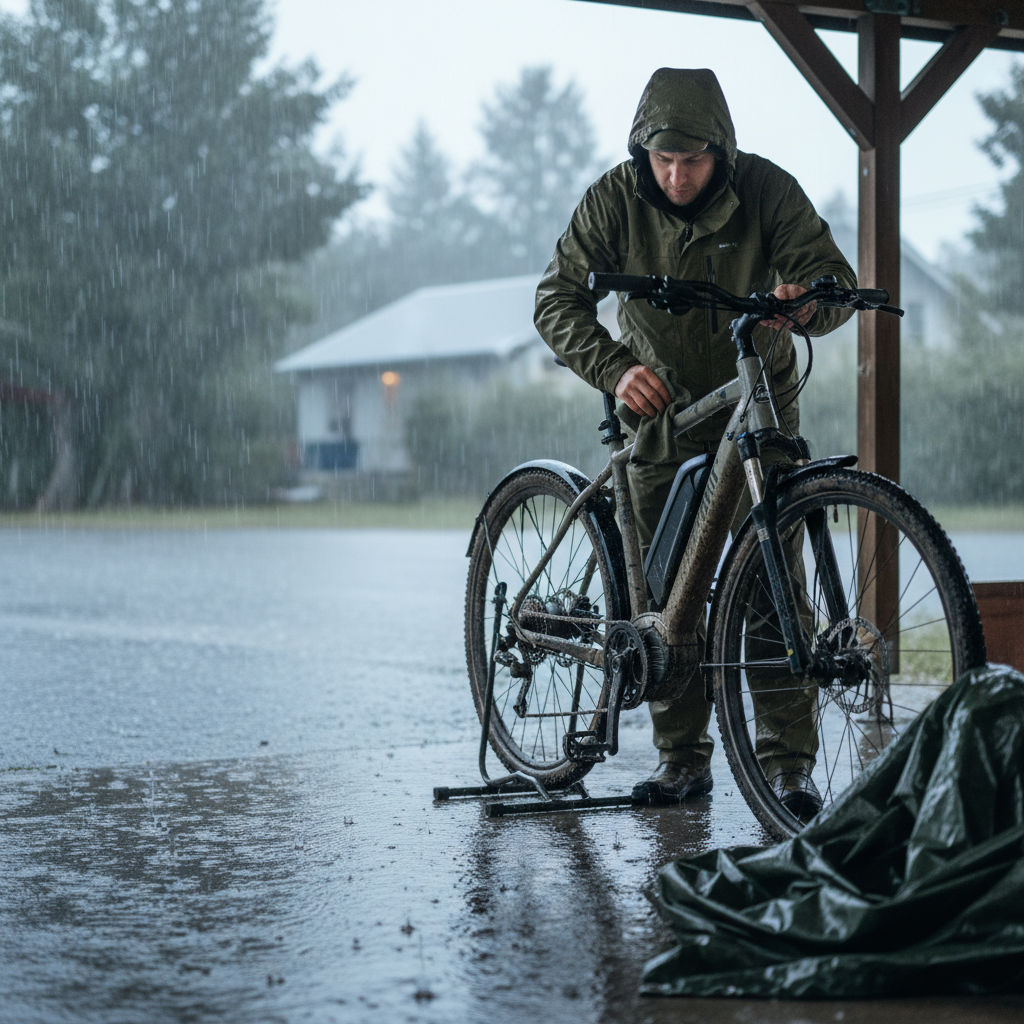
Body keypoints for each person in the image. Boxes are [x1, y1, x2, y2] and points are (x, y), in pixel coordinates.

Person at [534, 68, 855, 811]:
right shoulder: (614, 197)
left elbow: (830, 278)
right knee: (669, 594)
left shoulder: (768, 191)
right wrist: (614, 369)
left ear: (723, 151)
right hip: (661, 415)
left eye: (694, 160)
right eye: (663, 160)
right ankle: (681, 759)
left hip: (759, 404)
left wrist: (802, 306)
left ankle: (789, 767)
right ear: (642, 150)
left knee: (774, 593)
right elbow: (556, 298)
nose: (677, 176)